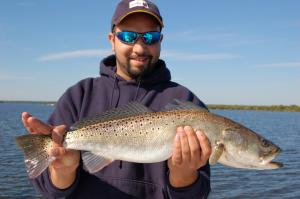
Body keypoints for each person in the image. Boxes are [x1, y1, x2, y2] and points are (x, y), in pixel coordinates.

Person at [21, 0, 212, 198]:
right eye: (128, 37)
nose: (139, 48)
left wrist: (183, 175)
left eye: (150, 37)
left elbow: (199, 193)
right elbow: (50, 191)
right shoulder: (79, 95)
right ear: (112, 40)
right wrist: (63, 169)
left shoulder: (188, 104)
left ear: (161, 40)